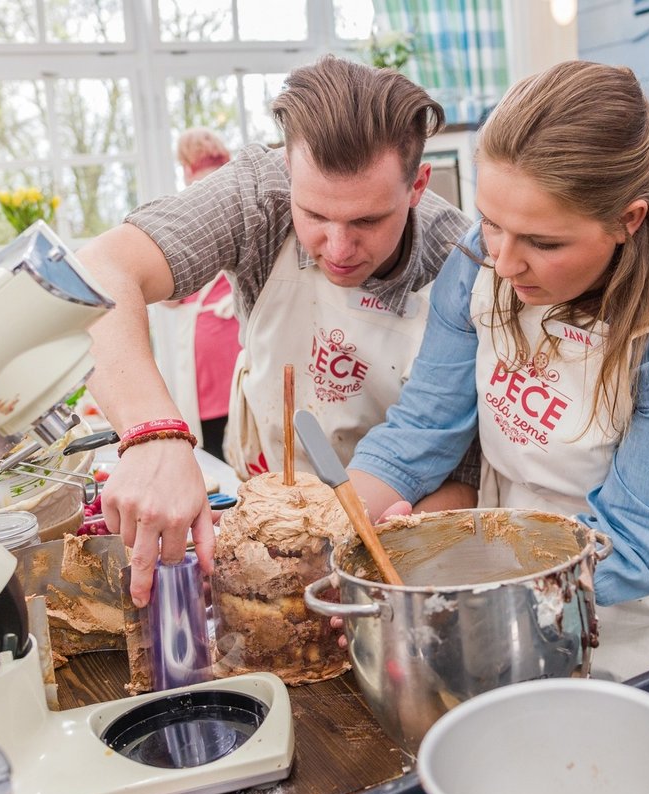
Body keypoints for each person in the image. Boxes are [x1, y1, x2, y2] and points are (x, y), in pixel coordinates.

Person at [348, 61, 649, 689]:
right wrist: (333, 541)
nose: (502, 261)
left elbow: (633, 547)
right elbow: (421, 429)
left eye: (542, 243)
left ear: (627, 221)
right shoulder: (479, 267)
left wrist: (458, 585)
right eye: (491, 222)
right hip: (518, 581)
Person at [77, 56, 474, 607]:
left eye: (366, 222)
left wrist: (372, 551)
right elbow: (96, 272)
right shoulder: (256, 193)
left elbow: (469, 476)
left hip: (394, 545)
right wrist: (154, 438)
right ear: (288, 170)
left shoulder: (461, 262)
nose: (337, 249)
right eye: (314, 215)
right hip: (264, 505)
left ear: (417, 186)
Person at [161, 128, 240, 461]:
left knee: (211, 445)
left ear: (186, 163)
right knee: (242, 423)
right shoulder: (238, 189)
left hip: (206, 343)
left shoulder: (189, 201)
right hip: (237, 335)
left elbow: (170, 295)